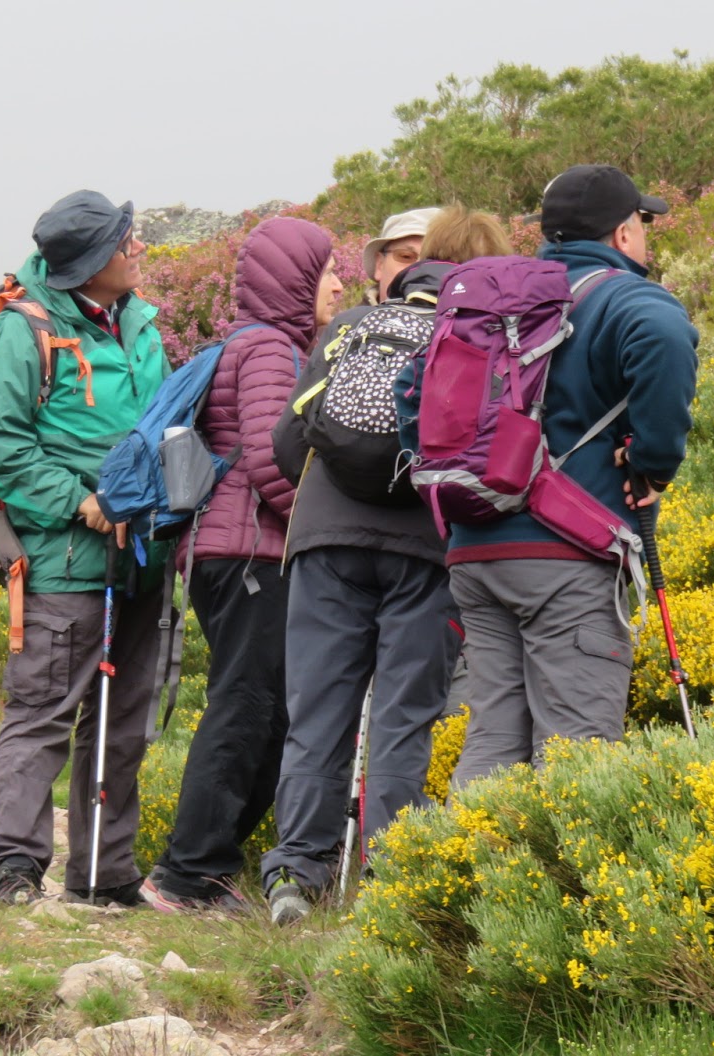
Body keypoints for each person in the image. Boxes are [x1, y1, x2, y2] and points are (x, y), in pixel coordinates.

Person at [412, 167, 698, 788]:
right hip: (565, 557)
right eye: (642, 224)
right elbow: (666, 337)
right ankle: (559, 859)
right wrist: (654, 463)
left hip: (474, 553)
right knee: (577, 752)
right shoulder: (625, 299)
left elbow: (414, 388)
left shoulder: (495, 303)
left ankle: (468, 855)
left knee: (494, 739)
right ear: (624, 233)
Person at [260, 206, 506, 926]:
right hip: (427, 549)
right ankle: (391, 878)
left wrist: (337, 492)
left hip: (327, 541)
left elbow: (287, 441)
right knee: (405, 716)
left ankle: (296, 875)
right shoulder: (478, 338)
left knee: (318, 710)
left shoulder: (352, 327)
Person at [0, 190, 171, 906]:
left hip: (144, 557)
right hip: (64, 562)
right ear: (90, 264)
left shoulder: (140, 324)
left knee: (123, 724)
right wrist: (79, 502)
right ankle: (13, 869)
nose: (137, 249)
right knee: (42, 714)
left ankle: (104, 875)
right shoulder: (23, 331)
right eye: (125, 242)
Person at [140, 218, 341, 913]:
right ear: (293, 281)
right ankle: (186, 874)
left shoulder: (261, 345)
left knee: (268, 710)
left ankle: (207, 867)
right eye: (325, 271)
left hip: (234, 549)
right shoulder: (269, 351)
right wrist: (324, 525)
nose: (338, 284)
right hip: (250, 551)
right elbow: (270, 459)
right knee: (248, 706)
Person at [362, 207, 443, 303]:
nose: (419, 270)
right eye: (406, 256)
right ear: (380, 264)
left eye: (434, 260)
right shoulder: (354, 314)